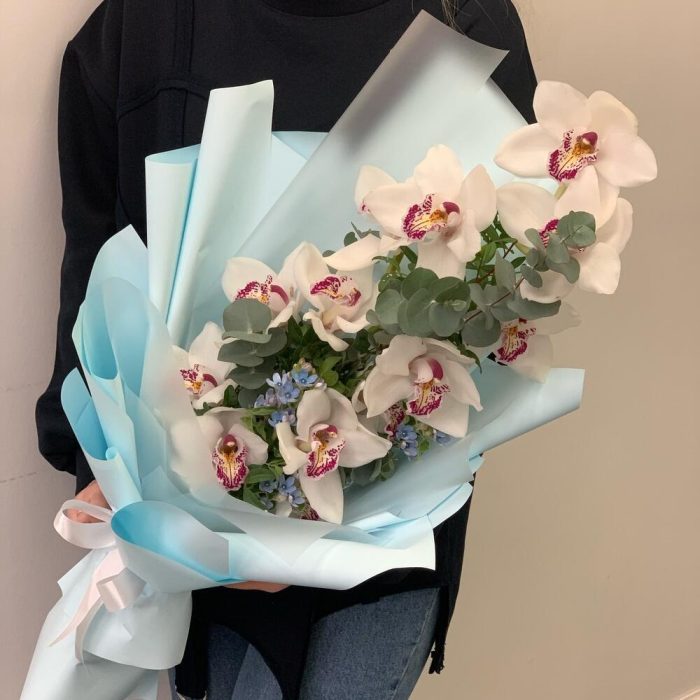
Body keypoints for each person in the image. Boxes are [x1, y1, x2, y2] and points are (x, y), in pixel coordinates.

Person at [36, 1, 537, 698]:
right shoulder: (142, 27)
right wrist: (107, 467)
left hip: (387, 524)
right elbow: (97, 267)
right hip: (199, 513)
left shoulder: (466, 20)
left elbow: (505, 284)